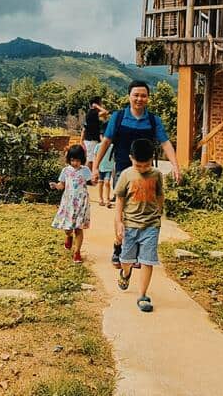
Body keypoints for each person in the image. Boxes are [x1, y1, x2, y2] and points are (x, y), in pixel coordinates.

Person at [91, 80, 179, 267]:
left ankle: (136, 250)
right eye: (136, 95)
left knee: (141, 211)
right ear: (129, 96)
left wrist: (176, 166)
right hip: (123, 170)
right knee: (122, 210)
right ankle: (118, 245)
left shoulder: (154, 120)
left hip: (146, 173)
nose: (139, 98)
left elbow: (165, 143)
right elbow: (106, 142)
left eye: (143, 95)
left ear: (148, 98)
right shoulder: (119, 116)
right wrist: (95, 167)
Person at [113, 138, 164, 312]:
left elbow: (159, 195)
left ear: (152, 159)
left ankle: (143, 295)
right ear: (130, 158)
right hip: (130, 225)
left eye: (146, 165)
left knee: (147, 261)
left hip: (151, 225)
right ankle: (126, 273)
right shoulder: (126, 175)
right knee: (126, 259)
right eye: (138, 165)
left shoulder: (157, 175)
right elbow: (120, 199)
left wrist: (159, 211)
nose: (142, 169)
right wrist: (118, 222)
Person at [51, 144, 92, 264]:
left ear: (82, 160)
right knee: (68, 228)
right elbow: (61, 185)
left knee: (78, 228)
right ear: (69, 160)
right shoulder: (66, 171)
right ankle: (68, 236)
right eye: (73, 160)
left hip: (81, 203)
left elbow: (91, 182)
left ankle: (77, 252)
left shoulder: (85, 171)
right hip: (68, 204)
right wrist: (56, 185)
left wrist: (96, 179)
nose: (75, 163)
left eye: (78, 160)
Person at [81, 97, 106, 170]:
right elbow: (105, 112)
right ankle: (87, 177)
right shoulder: (93, 112)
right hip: (91, 140)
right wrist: (97, 106)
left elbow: (84, 128)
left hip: (90, 140)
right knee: (91, 160)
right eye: (101, 103)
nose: (102, 105)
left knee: (91, 159)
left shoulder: (90, 113)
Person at [96, 142, 115, 207]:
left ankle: (107, 200)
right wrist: (96, 167)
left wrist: (113, 168)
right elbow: (95, 156)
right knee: (100, 183)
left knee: (107, 182)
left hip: (109, 167)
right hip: (100, 167)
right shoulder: (98, 146)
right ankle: (100, 199)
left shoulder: (112, 146)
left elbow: (114, 157)